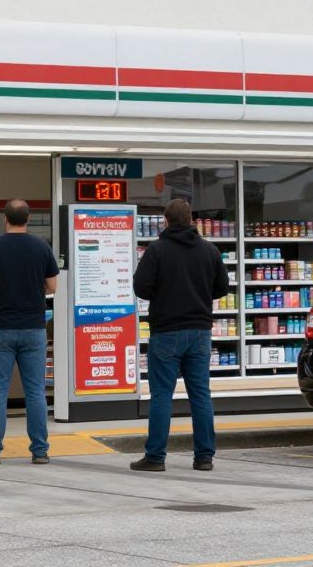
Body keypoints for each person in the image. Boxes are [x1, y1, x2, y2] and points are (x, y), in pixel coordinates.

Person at [130, 198, 230, 473]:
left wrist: (165, 293)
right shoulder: (209, 250)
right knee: (200, 395)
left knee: (162, 395)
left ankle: (155, 457)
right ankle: (204, 457)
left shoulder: (157, 250)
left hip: (166, 332)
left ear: (166, 220)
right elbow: (222, 287)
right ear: (192, 221)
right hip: (199, 332)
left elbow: (141, 287)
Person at [0, 200, 59, 465]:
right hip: (33, 328)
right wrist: (32, 292)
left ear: (4, 219)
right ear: (28, 219)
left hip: (1, 328)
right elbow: (52, 286)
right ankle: (40, 451)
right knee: (35, 391)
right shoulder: (41, 247)